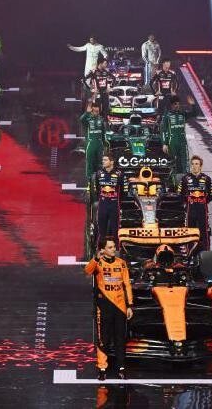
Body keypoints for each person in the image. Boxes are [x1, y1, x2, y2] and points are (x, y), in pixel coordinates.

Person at [84, 237, 133, 381]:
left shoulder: (122, 264)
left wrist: (130, 305)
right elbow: (87, 271)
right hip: (104, 306)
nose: (114, 250)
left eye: (114, 247)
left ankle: (121, 367)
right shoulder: (98, 264)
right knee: (103, 338)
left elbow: (127, 285)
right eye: (110, 247)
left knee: (120, 338)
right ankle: (102, 367)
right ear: (103, 249)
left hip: (120, 307)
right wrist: (94, 259)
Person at [179, 156, 212, 251]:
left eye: (197, 164)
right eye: (193, 164)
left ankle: (206, 252)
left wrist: (204, 201)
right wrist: (187, 201)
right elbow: (179, 193)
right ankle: (189, 252)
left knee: (204, 231)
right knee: (190, 231)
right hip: (190, 209)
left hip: (202, 209)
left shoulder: (207, 179)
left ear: (201, 166)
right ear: (190, 165)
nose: (194, 166)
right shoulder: (184, 179)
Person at [92, 154, 123, 245]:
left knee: (115, 231)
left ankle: (116, 250)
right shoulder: (98, 173)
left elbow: (123, 191)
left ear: (112, 162)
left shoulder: (119, 174)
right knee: (101, 232)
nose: (103, 162)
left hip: (114, 206)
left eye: (105, 160)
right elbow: (97, 189)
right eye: (103, 160)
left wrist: (119, 204)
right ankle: (100, 250)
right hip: (102, 205)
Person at [161, 96, 190, 175]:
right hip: (172, 142)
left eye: (178, 104)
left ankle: (185, 178)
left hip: (182, 142)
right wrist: (164, 144)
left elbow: (195, 113)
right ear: (171, 105)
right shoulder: (167, 116)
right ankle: (174, 180)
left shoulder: (182, 114)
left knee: (184, 161)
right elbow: (163, 130)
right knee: (173, 162)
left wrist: (193, 105)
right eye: (175, 104)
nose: (177, 106)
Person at [80, 101, 106, 181]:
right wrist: (86, 113)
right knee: (90, 163)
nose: (96, 111)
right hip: (90, 143)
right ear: (92, 109)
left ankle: (100, 179)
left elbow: (103, 133)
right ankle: (90, 181)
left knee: (100, 163)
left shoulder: (101, 119)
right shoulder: (87, 118)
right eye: (95, 110)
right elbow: (81, 119)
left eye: (98, 110)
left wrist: (104, 143)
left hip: (99, 144)